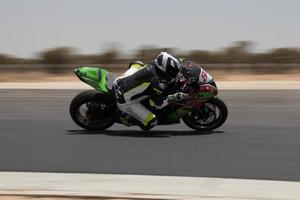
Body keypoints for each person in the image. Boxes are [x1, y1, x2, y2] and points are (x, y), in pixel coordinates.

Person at [113, 52, 183, 130]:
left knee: (138, 63)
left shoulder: (154, 65)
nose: (174, 73)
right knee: (151, 122)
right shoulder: (156, 82)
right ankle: (125, 117)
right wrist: (173, 97)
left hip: (119, 81)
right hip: (124, 100)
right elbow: (158, 105)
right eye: (172, 71)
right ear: (164, 67)